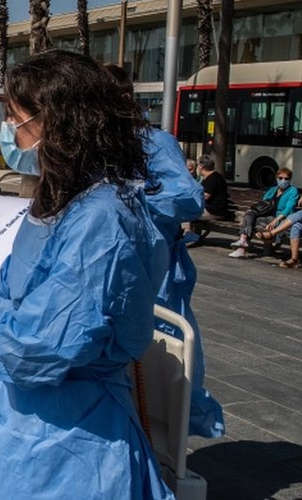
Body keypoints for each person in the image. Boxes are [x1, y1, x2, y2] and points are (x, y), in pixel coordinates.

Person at [0, 50, 173, 499]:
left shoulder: (102, 219)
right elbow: (8, 292)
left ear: (60, 123)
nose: (11, 134)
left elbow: (36, 349)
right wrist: (5, 320)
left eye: (16, 120)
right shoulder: (57, 204)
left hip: (71, 447)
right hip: (15, 435)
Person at [106, 63, 224, 439]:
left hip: (153, 273)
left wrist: (129, 193)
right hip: (108, 270)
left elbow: (186, 199)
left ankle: (162, 452)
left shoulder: (154, 144)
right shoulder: (88, 146)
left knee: (159, 371)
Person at [229, 167, 298, 258]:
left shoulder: (293, 191)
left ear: (290, 179)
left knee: (250, 221)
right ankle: (243, 241)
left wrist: (275, 220)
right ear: (277, 178)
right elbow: (262, 205)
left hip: (281, 219)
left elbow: (288, 209)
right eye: (280, 178)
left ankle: (241, 249)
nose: (283, 180)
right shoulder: (272, 190)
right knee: (249, 214)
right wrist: (246, 218)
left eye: (286, 179)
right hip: (266, 216)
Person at [189, 153, 231, 238]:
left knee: (186, 213)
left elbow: (205, 196)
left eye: (198, 166)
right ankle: (193, 235)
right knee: (187, 211)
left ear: (201, 167)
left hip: (214, 211)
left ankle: (191, 237)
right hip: (213, 209)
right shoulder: (213, 177)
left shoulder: (213, 178)